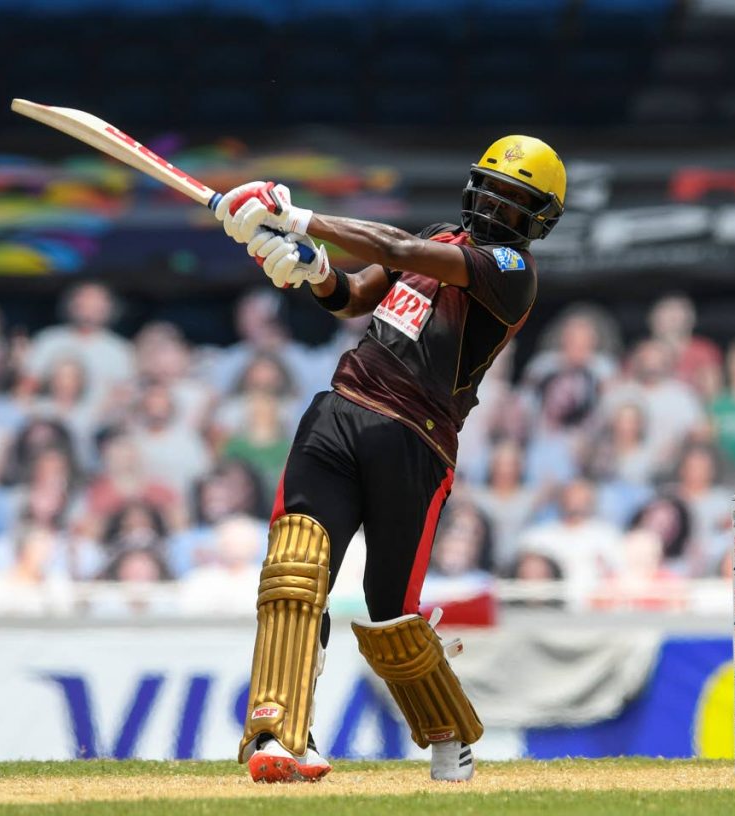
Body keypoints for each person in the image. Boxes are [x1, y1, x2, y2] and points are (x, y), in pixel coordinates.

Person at [213, 135, 565, 783]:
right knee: (295, 572)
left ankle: (447, 732)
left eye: (515, 204)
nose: (496, 210)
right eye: (491, 192)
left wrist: (298, 219)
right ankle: (281, 736)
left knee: (389, 612)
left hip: (416, 438)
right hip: (340, 409)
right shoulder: (442, 236)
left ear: (535, 221)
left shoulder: (512, 272)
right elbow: (355, 297)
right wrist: (313, 270)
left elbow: (398, 250)